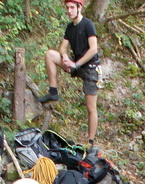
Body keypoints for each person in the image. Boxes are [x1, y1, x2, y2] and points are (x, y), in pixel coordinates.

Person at [38, 0, 100, 147]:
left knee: (91, 108)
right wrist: (65, 57)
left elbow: (93, 49)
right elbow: (62, 48)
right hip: (76, 65)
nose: (69, 10)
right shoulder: (70, 27)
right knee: (50, 55)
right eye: (67, 8)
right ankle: (53, 91)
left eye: (72, 7)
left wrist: (76, 64)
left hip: (90, 68)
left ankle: (90, 142)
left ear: (79, 7)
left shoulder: (88, 24)